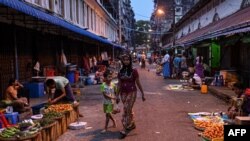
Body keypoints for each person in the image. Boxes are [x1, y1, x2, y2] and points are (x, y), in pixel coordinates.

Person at [117, 53, 146, 139]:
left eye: (128, 60)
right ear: (122, 61)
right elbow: (119, 84)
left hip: (132, 92)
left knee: (126, 108)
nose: (126, 61)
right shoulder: (120, 71)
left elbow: (138, 82)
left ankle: (124, 129)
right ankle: (131, 124)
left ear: (130, 60)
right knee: (128, 109)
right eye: (124, 60)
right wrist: (116, 95)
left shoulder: (134, 70)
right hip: (123, 93)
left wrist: (142, 94)